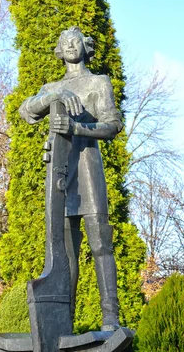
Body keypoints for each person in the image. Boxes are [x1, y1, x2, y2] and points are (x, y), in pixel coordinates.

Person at [19, 26, 123, 331]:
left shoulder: (98, 83)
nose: (70, 44)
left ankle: (111, 319)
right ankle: (65, 323)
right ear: (59, 50)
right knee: (65, 254)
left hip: (88, 168)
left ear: (85, 47)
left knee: (100, 243)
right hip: (61, 171)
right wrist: (58, 94)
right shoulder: (52, 87)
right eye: (65, 42)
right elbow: (27, 111)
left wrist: (77, 128)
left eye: (75, 40)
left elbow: (113, 125)